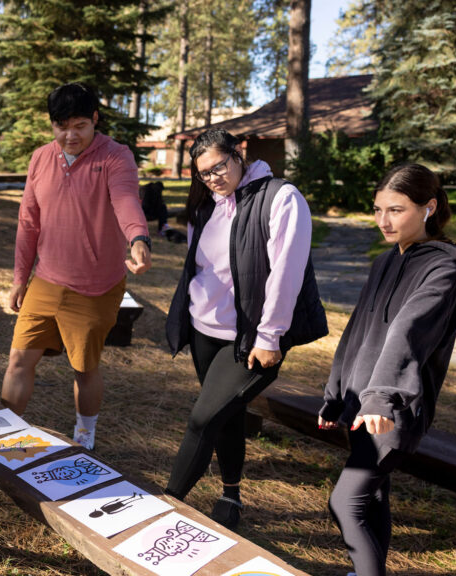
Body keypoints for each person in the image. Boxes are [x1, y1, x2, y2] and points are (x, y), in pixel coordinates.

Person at [319, 164, 456, 576]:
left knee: (346, 501)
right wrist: (335, 394)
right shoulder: (384, 262)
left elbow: (407, 336)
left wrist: (379, 398)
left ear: (428, 208)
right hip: (363, 404)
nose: (383, 221)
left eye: (396, 210)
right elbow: (357, 334)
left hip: (393, 409)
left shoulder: (442, 270)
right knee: (372, 499)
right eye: (377, 210)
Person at [163, 128, 327, 529]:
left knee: (202, 419)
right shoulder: (206, 204)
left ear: (239, 154)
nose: (214, 177)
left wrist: (270, 336)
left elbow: (286, 273)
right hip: (205, 332)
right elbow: (199, 267)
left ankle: (164, 507)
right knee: (226, 415)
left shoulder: (281, 197)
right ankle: (231, 494)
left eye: (219, 165)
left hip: (249, 339)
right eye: (204, 173)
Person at [0, 82, 152, 451]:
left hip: (96, 285)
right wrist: (21, 278)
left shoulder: (115, 157)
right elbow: (28, 222)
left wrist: (139, 239)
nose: (70, 136)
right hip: (47, 279)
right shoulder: (40, 158)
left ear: (95, 120)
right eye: (61, 126)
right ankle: (5, 436)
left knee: (84, 368)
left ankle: (85, 432)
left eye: (79, 126)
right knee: (19, 359)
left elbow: (126, 200)